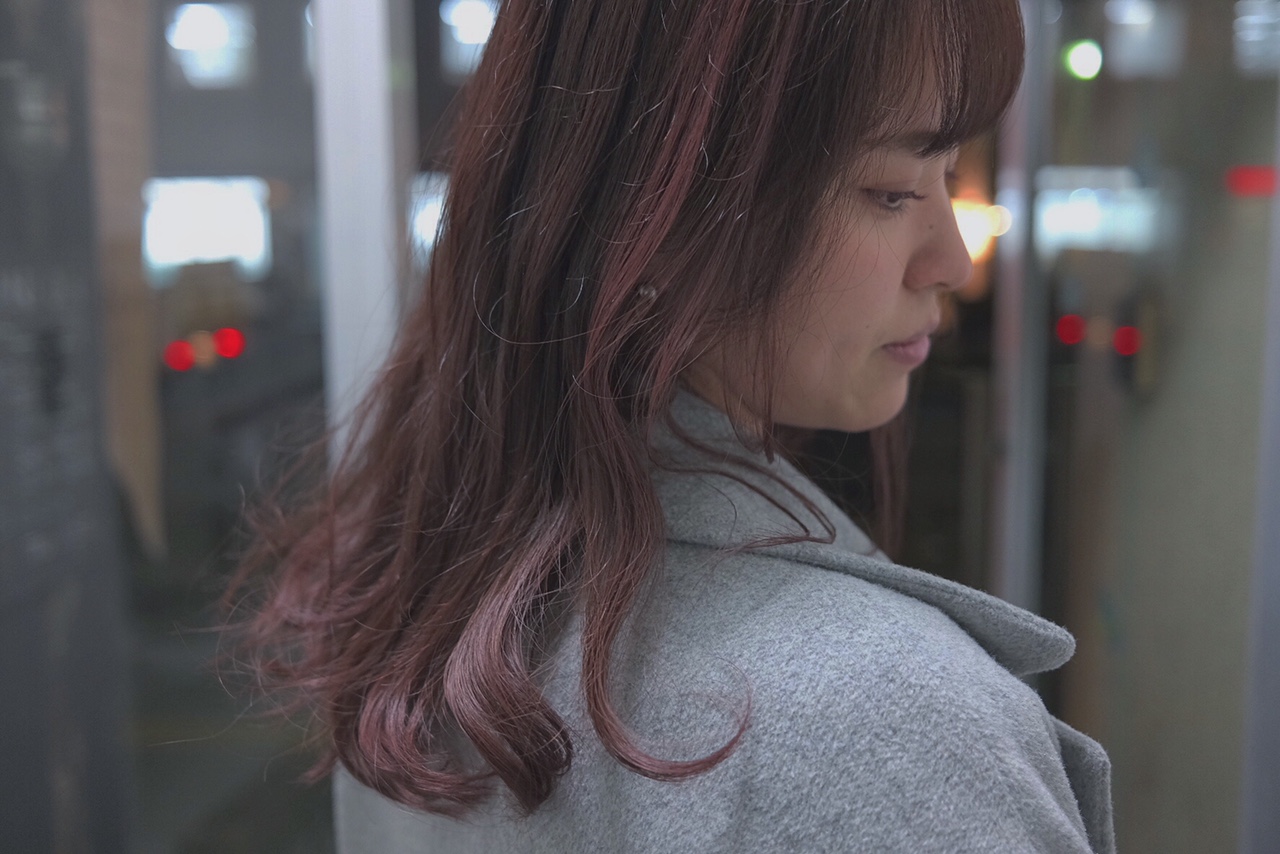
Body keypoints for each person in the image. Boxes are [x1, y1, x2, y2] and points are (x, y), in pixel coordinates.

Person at [226, 0, 1116, 850]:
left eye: (948, 176)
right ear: (654, 215)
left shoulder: (414, 606)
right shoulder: (897, 728)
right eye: (891, 191)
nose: (952, 260)